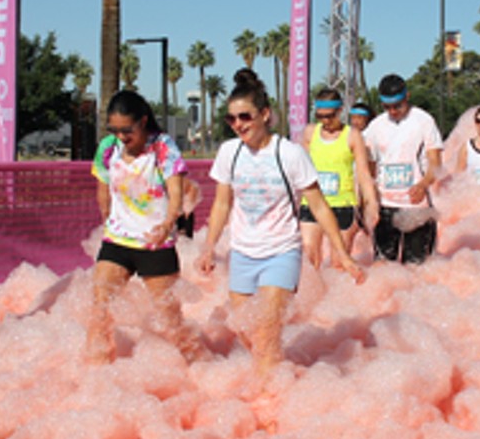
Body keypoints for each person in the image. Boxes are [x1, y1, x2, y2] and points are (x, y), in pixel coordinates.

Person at [198, 69, 364, 375]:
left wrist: (340, 252)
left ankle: (270, 398)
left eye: (244, 117)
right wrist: (209, 247)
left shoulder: (289, 154)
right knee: (246, 331)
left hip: (281, 252)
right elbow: (222, 202)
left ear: (264, 114)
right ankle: (278, 377)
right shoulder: (229, 152)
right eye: (231, 119)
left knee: (266, 329)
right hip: (243, 252)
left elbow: (319, 205)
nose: (238, 125)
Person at [89, 90, 196, 363]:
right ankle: (96, 373)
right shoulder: (109, 148)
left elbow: (177, 192)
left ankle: (199, 369)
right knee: (100, 309)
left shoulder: (163, 147)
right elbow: (103, 189)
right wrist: (105, 222)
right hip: (118, 240)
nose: (121, 136)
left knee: (170, 321)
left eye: (127, 129)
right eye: (114, 129)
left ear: (143, 121)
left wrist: (168, 223)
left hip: (155, 242)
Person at [363, 73, 445, 264]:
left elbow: (435, 162)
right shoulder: (375, 126)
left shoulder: (424, 121)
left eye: (397, 106)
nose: (393, 111)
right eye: (387, 107)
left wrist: (423, 184)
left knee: (415, 267)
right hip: (386, 205)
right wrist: (369, 198)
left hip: (416, 206)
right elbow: (369, 165)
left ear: (407, 96)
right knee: (383, 266)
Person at [300, 88, 380, 266]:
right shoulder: (310, 133)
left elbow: (364, 173)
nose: (325, 121)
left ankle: (336, 293)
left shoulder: (352, 135)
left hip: (342, 204)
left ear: (340, 110)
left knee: (339, 262)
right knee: (309, 253)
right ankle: (312, 293)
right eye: (320, 116)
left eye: (329, 116)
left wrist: (372, 204)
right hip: (312, 203)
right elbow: (301, 171)